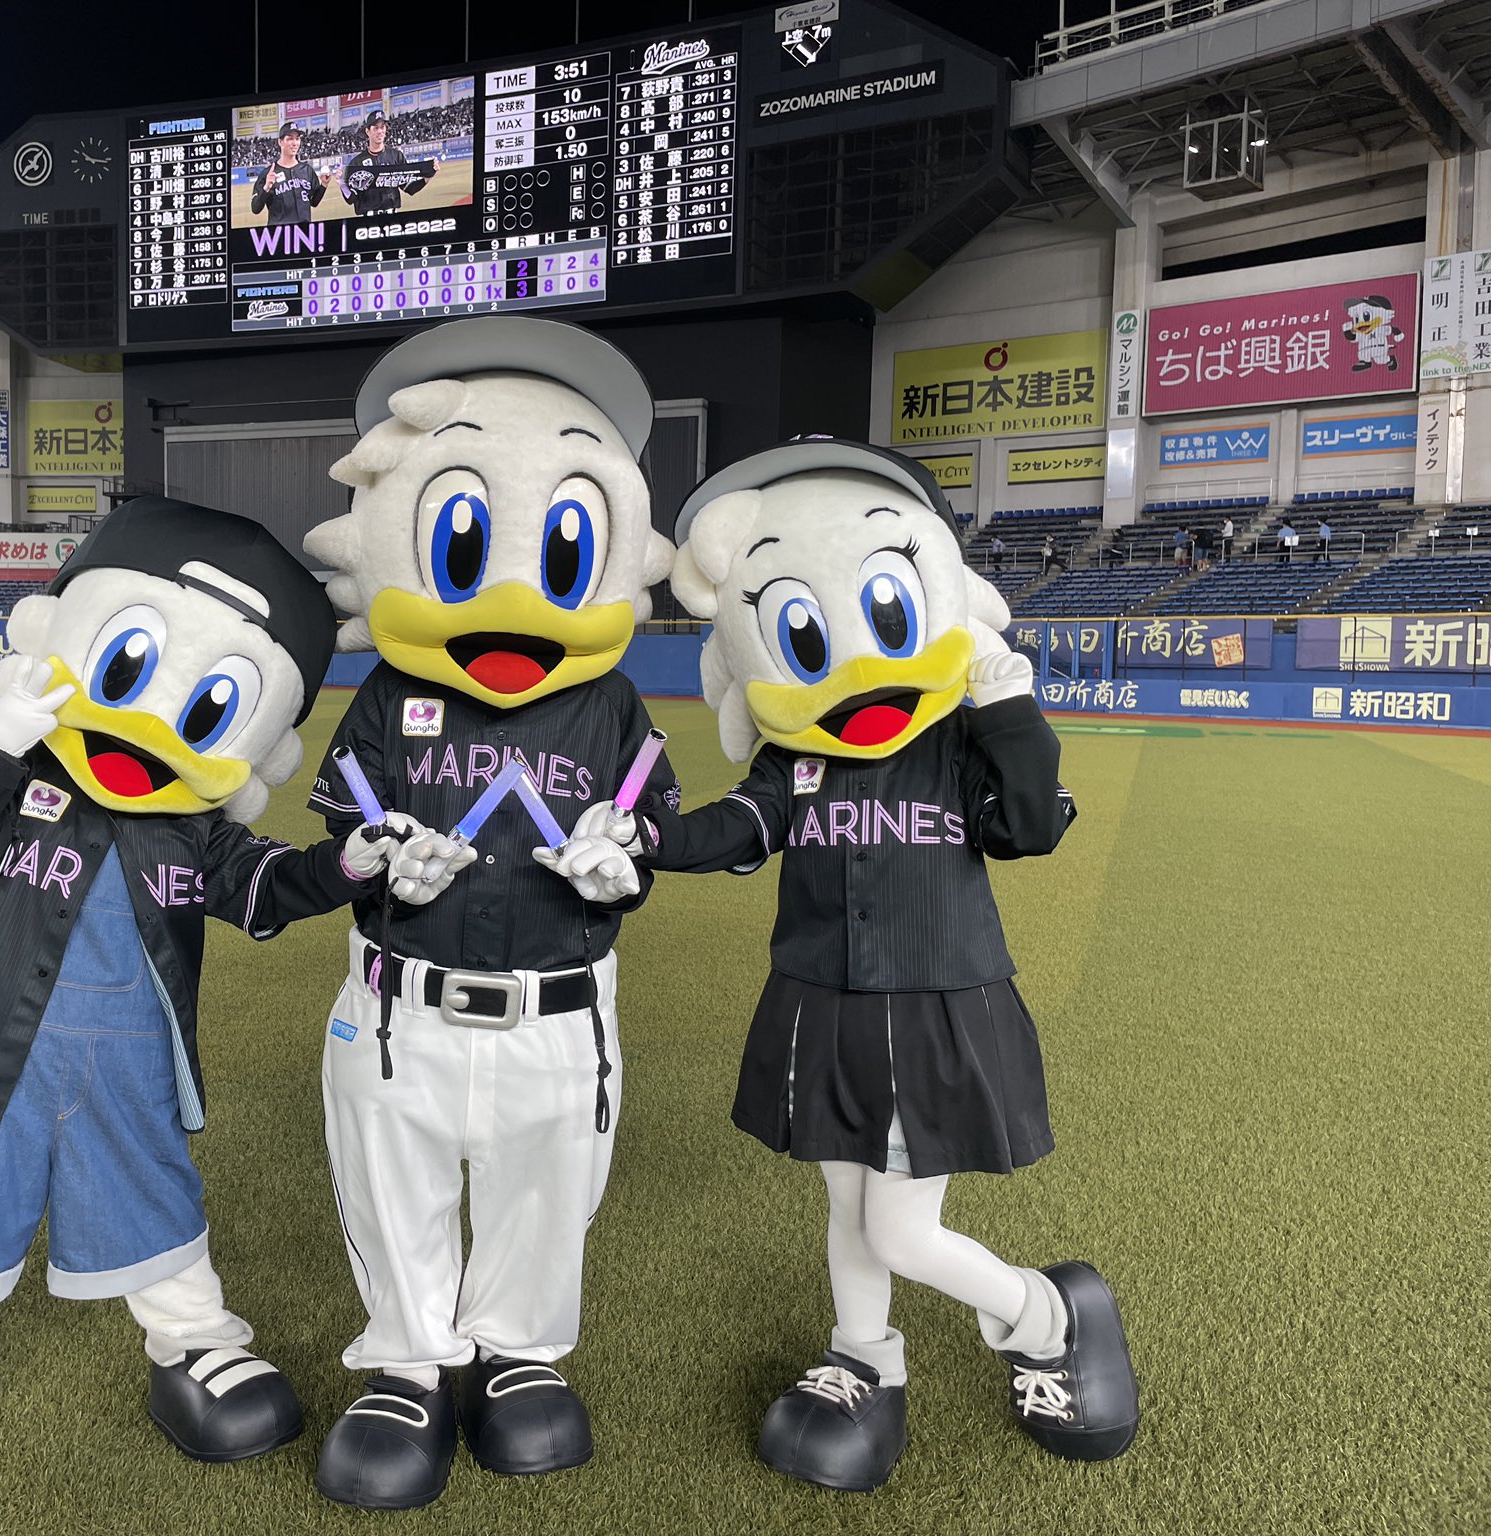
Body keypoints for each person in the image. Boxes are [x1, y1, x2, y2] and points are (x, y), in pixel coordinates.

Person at [0, 497, 464, 1532]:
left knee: (152, 1201)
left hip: (129, 1066)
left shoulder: (191, 830)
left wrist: (350, 864)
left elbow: (266, 888)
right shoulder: (19, 782)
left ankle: (194, 1346)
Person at [610, 437, 1136, 1492]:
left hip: (933, 1003)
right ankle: (863, 1355)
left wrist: (1008, 709)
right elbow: (739, 826)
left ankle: (1045, 1317)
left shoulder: (956, 740)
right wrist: (644, 837)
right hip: (821, 1002)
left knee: (897, 1227)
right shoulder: (796, 752)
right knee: (847, 1204)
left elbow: (1031, 827)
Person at [300, 316, 678, 1509]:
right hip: (398, 1002)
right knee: (390, 1177)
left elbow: (647, 828)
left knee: (545, 1183)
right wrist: (373, 860)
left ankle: (516, 1352)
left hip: (559, 1005)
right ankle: (410, 1362)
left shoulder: (611, 702)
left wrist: (625, 862)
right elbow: (342, 821)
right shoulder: (388, 689)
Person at [339, 109, 434, 217]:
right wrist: (342, 184)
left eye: (382, 127)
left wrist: (427, 177)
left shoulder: (396, 156)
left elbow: (408, 187)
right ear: (367, 131)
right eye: (375, 128)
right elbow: (351, 199)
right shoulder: (357, 162)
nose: (380, 131)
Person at [250, 123, 333, 226]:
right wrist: (266, 188)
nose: (295, 143)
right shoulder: (268, 174)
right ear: (280, 142)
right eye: (290, 139)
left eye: (297, 139)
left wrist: (324, 185)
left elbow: (314, 202)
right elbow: (255, 209)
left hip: (304, 231)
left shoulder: (307, 170)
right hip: (280, 232)